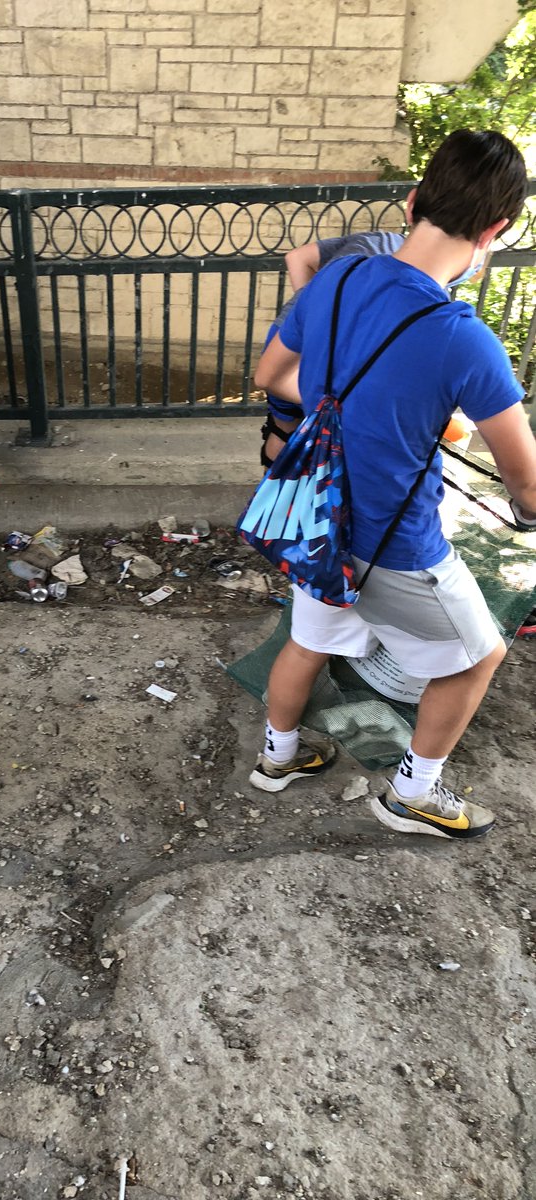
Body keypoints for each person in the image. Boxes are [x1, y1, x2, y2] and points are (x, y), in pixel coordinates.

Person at [249, 129, 536, 840]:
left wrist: (335, 404)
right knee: (480, 658)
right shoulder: (463, 337)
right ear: (496, 231)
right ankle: (412, 795)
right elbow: (526, 484)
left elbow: (269, 376)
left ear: (411, 204)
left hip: (318, 519)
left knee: (308, 641)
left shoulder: (337, 281)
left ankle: (278, 759)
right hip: (392, 544)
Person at [260, 230, 405, 468]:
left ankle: (271, 502)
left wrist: (308, 309)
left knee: (283, 427)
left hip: (283, 336)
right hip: (337, 350)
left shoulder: (376, 239)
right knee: (338, 431)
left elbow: (297, 257)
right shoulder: (414, 276)